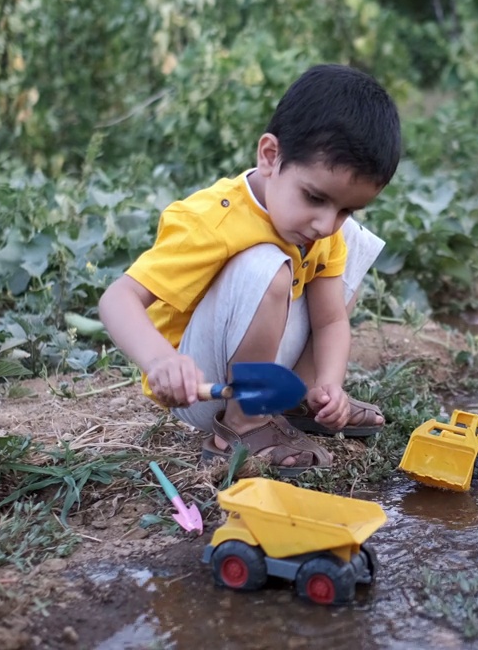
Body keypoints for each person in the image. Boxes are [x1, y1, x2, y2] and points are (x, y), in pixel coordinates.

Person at [98, 64, 401, 476]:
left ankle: (297, 399)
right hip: (201, 387)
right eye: (314, 197)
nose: (325, 224)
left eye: (345, 208)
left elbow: (330, 320)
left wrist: (330, 384)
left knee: (354, 244)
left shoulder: (323, 227)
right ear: (271, 156)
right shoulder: (213, 220)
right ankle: (242, 424)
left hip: (263, 371)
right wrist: (159, 361)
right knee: (268, 264)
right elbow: (117, 298)